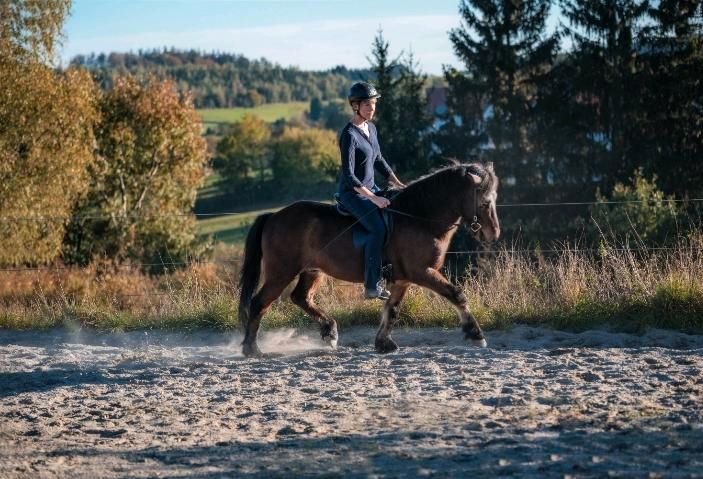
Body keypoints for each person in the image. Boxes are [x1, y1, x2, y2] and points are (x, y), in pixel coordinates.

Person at [337, 81, 405, 300]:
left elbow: (379, 159)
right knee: (377, 228)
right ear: (355, 106)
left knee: (395, 216)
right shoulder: (349, 135)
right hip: (353, 194)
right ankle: (371, 285)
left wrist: (398, 184)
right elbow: (349, 176)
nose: (371, 108)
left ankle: (388, 269)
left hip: (371, 187)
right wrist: (374, 198)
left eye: (373, 103)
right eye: (367, 104)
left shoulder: (371, 128)